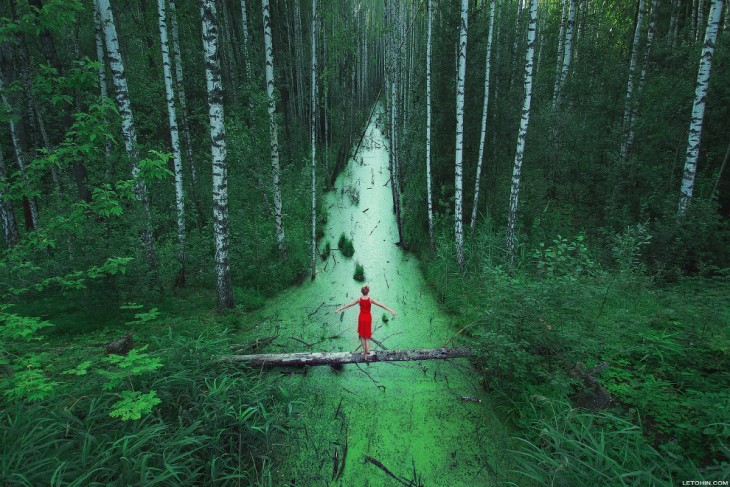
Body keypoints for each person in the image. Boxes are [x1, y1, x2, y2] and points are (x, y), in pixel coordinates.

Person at [335, 285, 397, 357]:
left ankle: (364, 352)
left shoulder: (359, 299)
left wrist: (340, 309)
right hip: (368, 318)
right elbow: (381, 305)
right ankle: (368, 351)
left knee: (362, 335)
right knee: (367, 335)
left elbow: (349, 304)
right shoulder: (371, 299)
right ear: (368, 291)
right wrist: (391, 310)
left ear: (361, 291)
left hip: (361, 318)